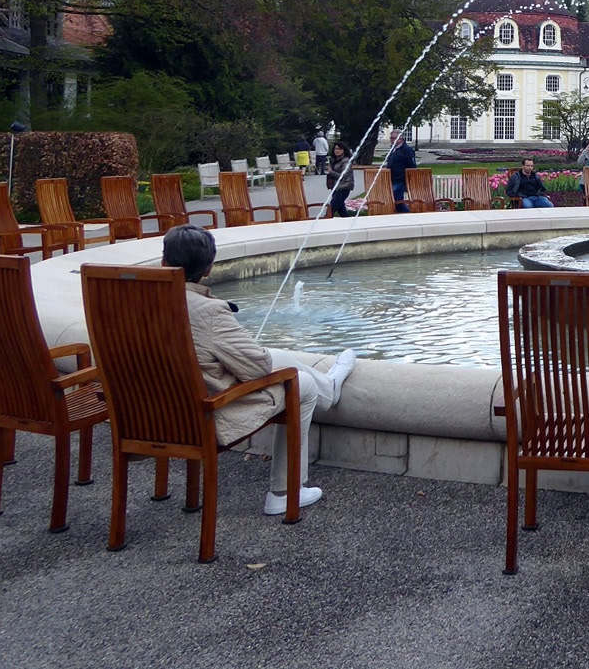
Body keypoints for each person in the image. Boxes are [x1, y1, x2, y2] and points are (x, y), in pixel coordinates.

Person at [160, 225, 358, 515]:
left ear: (164, 260)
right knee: (301, 383)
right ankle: (284, 493)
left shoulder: (135, 300)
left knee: (277, 356)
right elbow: (257, 368)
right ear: (209, 270)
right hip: (202, 414)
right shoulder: (208, 311)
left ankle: (330, 386)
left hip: (149, 413)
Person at [384, 129, 416, 211]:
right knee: (394, 199)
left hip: (400, 179)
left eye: (393, 138)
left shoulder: (407, 150)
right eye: (391, 138)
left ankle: (407, 213)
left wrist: (409, 180)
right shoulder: (393, 149)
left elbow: (412, 165)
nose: (391, 140)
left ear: (400, 139)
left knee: (396, 199)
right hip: (392, 179)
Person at [325, 141, 355, 217]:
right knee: (341, 210)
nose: (337, 151)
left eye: (340, 149)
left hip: (343, 187)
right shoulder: (335, 160)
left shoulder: (346, 161)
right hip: (336, 187)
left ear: (344, 150)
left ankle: (324, 221)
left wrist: (331, 172)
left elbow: (343, 175)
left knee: (332, 208)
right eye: (336, 149)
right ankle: (348, 222)